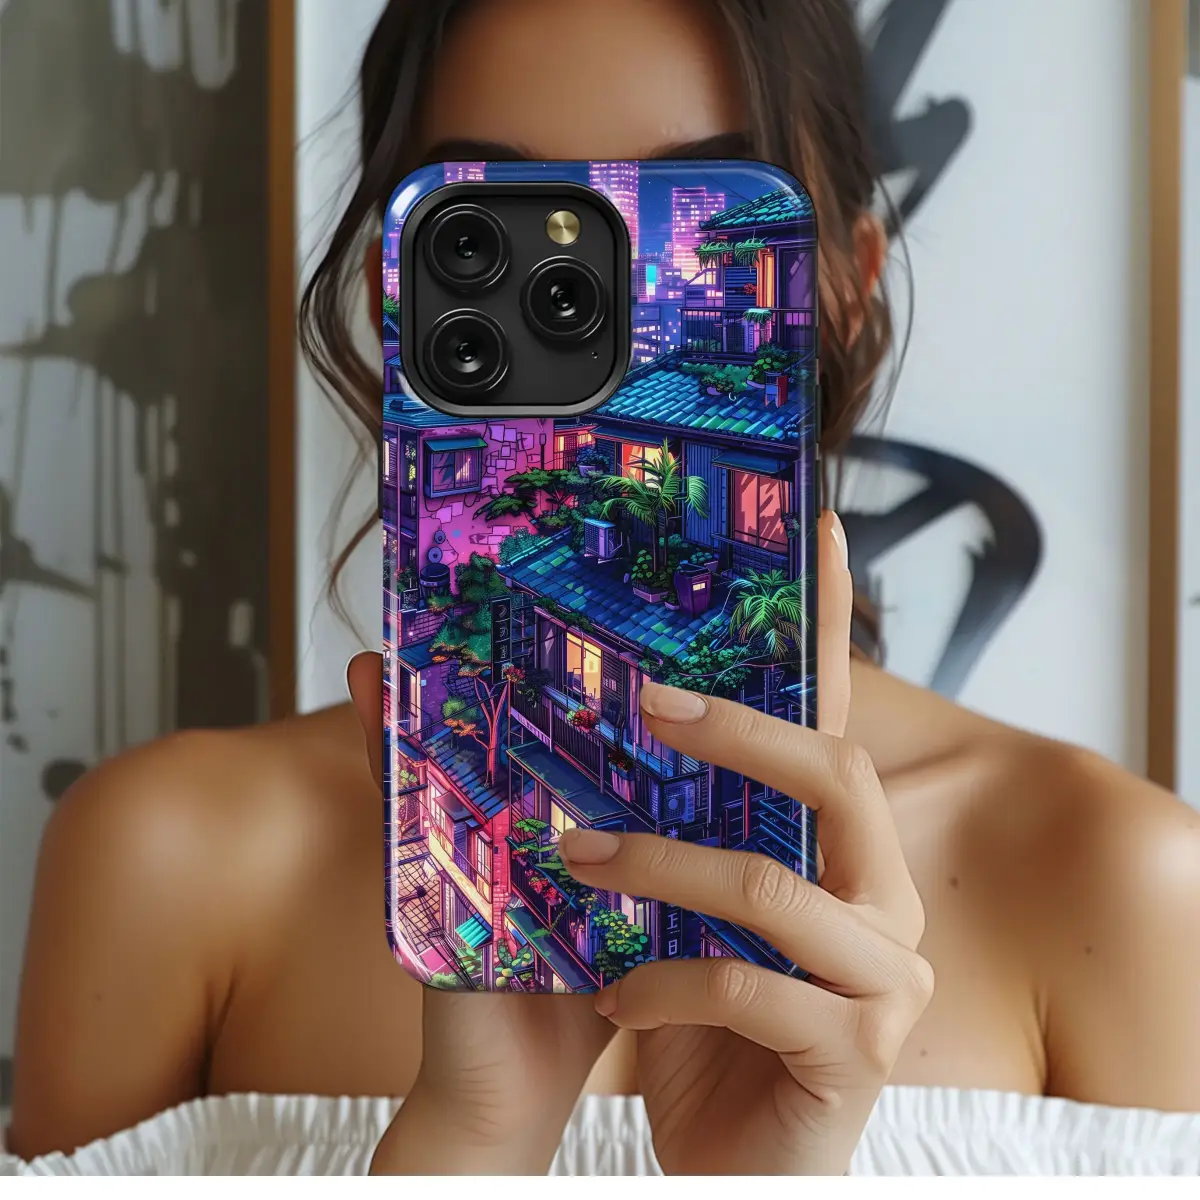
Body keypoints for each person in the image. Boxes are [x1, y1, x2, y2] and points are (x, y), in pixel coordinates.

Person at [7, 0, 1200, 1177]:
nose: (605, 308)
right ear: (394, 292)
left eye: (697, 217)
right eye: (492, 227)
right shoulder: (171, 862)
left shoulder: (1115, 883)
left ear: (846, 285)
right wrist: (475, 1139)